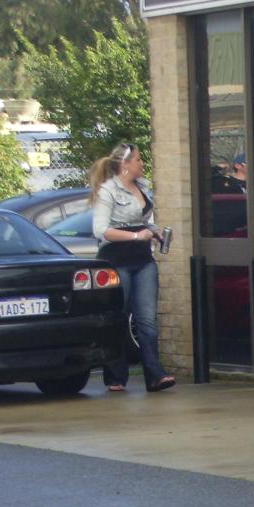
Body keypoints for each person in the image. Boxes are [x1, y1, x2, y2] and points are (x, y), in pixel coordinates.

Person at [89, 143, 176, 393]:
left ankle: (155, 374)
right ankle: (115, 374)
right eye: (138, 160)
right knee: (118, 315)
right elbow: (101, 230)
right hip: (117, 260)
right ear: (125, 164)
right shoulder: (108, 190)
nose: (141, 164)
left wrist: (156, 231)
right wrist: (137, 236)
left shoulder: (143, 187)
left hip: (143, 260)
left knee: (146, 319)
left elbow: (146, 221)